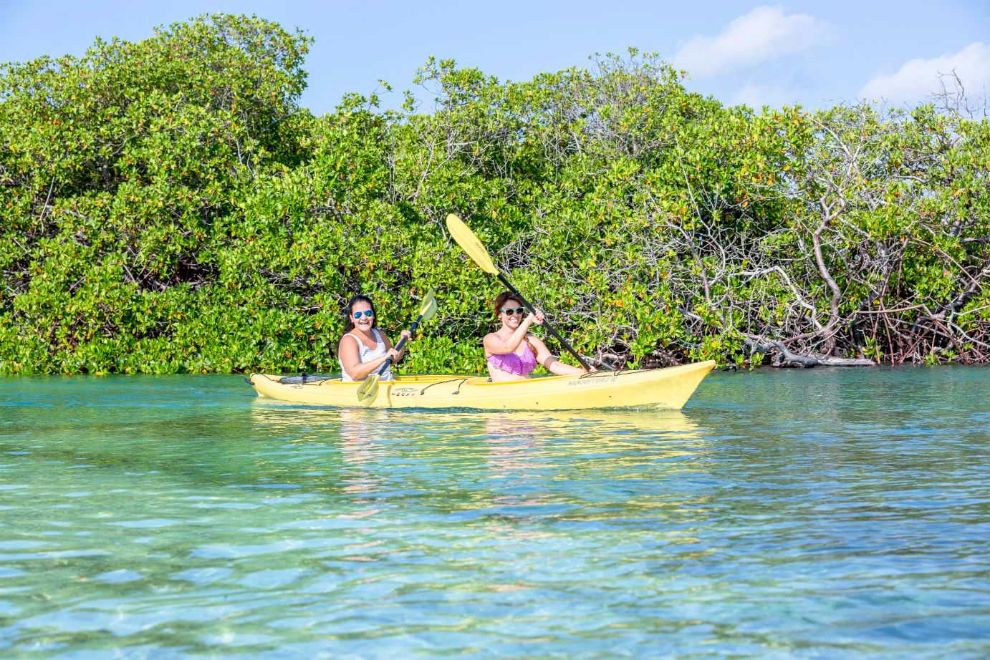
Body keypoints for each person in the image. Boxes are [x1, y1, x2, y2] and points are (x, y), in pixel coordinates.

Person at [483, 291, 589, 382]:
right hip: (503, 395)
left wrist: (584, 372)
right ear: (499, 314)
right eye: (509, 311)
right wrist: (529, 320)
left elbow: (554, 366)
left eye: (519, 310)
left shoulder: (532, 341)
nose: (515, 315)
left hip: (528, 392)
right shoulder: (490, 339)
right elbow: (508, 347)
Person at [338, 295, 411, 382]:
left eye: (368, 313)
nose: (364, 318)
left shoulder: (380, 334)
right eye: (358, 315)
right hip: (359, 391)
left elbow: (394, 359)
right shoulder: (349, 340)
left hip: (386, 385)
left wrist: (402, 340)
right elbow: (355, 374)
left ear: (373, 316)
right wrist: (383, 358)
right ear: (352, 318)